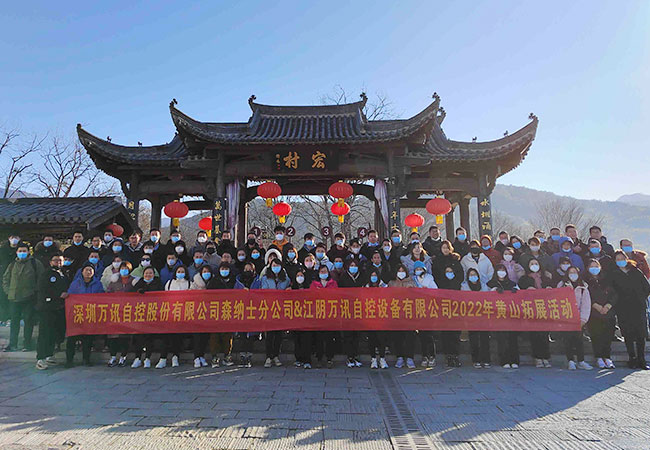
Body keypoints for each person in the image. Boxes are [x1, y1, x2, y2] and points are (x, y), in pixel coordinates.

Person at [610, 250, 650, 369]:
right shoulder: (614, 274)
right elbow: (613, 292)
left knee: (641, 334)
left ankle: (642, 360)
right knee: (628, 334)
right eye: (618, 259)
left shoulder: (635, 271)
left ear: (626, 258)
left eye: (622, 258)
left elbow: (646, 287)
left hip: (638, 307)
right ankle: (632, 358)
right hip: (623, 308)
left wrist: (641, 298)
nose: (620, 261)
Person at [2, 243, 44, 352]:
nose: (22, 253)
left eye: (24, 251)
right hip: (14, 298)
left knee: (28, 321)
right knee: (14, 322)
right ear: (16, 252)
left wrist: (35, 292)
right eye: (20, 251)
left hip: (29, 298)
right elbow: (5, 279)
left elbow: (41, 279)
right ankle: (13, 344)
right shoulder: (12, 264)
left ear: (28, 252)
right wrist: (8, 291)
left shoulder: (35, 263)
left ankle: (27, 344)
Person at [65, 262, 104, 367]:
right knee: (72, 338)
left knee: (88, 338)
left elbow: (101, 298)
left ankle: (86, 359)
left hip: (90, 314)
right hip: (77, 314)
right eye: (86, 270)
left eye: (90, 270)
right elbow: (70, 296)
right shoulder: (75, 284)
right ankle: (69, 360)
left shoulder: (98, 284)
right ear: (82, 272)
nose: (88, 272)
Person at [35, 253, 69, 370]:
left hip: (59, 308)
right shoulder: (46, 274)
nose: (58, 263)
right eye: (55, 260)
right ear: (50, 262)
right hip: (47, 308)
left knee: (54, 333)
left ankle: (49, 355)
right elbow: (43, 289)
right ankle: (40, 358)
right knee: (45, 333)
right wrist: (58, 295)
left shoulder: (64, 274)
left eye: (60, 260)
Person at [517, 259, 553, 368]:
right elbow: (520, 292)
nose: (534, 265)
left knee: (545, 334)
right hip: (531, 309)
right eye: (531, 264)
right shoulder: (524, 279)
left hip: (544, 308)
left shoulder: (546, 278)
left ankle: (545, 357)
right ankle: (537, 357)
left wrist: (549, 289)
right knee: (535, 334)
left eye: (536, 263)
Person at [557, 266, 593, 370]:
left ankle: (581, 361)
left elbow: (586, 304)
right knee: (567, 340)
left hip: (578, 318)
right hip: (566, 318)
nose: (573, 274)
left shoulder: (583, 287)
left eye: (575, 272)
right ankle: (570, 361)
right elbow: (557, 301)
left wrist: (583, 319)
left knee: (579, 341)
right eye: (571, 272)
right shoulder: (561, 285)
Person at [584, 259, 617, 369]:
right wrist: (595, 305)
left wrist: (608, 305)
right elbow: (586, 295)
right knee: (596, 335)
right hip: (594, 312)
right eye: (592, 266)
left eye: (596, 266)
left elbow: (614, 294)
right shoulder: (585, 281)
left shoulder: (606, 279)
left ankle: (607, 357)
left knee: (608, 335)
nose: (594, 268)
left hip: (608, 311)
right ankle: (598, 357)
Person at [157, 264, 190, 369]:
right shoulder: (169, 283)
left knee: (177, 336)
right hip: (170, 313)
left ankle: (175, 356)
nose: (180, 273)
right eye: (178, 271)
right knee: (166, 335)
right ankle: (163, 358)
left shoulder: (189, 283)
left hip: (183, 314)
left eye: (182, 271)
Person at [130, 267, 162, 369]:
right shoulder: (139, 283)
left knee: (149, 337)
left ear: (154, 274)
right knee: (138, 337)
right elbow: (131, 295)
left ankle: (147, 358)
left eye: (150, 273)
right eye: (146, 273)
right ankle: (138, 358)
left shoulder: (158, 284)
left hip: (153, 314)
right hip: (140, 314)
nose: (148, 275)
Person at [488, 265, 520, 369]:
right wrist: (494, 291)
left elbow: (520, 296)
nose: (501, 272)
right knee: (502, 338)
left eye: (503, 270)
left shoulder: (512, 284)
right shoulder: (491, 283)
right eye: (499, 270)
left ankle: (514, 360)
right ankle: (504, 360)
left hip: (511, 315)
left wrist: (515, 292)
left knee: (512, 338)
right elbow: (486, 297)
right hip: (499, 315)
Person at [260, 259, 290, 368]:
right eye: (273, 265)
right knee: (269, 335)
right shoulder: (265, 278)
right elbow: (264, 291)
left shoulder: (286, 279)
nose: (275, 267)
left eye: (277, 265)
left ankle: (276, 356)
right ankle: (269, 357)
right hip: (269, 308)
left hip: (281, 309)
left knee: (278, 335)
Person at [206, 262, 237, 368]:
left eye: (226, 269)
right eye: (222, 269)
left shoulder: (233, 281)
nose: (224, 271)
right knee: (214, 335)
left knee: (227, 335)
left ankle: (227, 355)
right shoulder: (214, 281)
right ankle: (214, 357)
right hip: (215, 311)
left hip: (229, 311)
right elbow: (207, 295)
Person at [105, 261, 134, 367]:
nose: (124, 270)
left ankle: (123, 356)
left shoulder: (133, 281)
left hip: (128, 312)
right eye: (122, 268)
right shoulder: (114, 280)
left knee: (125, 336)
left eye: (126, 268)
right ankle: (113, 356)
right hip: (115, 311)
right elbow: (108, 293)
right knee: (113, 335)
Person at [388, 264, 417, 368]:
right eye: (399, 271)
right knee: (398, 336)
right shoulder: (391, 283)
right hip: (396, 313)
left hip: (409, 313)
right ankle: (399, 357)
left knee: (410, 336)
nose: (401, 273)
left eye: (403, 271)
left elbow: (417, 296)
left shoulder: (411, 282)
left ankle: (410, 357)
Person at [461, 268, 491, 368]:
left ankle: (486, 360)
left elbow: (488, 297)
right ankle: (476, 360)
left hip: (483, 315)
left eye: (474, 274)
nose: (473, 276)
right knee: (473, 339)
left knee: (484, 339)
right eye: (471, 275)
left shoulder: (484, 285)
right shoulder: (464, 286)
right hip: (471, 316)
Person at [338, 259, 364, 368]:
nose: (353, 267)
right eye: (351, 265)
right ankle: (349, 357)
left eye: (355, 265)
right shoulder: (344, 277)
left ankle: (356, 356)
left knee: (356, 335)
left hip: (358, 308)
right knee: (348, 335)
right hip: (347, 308)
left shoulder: (361, 276)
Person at [234, 262, 262, 368]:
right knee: (242, 334)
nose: (247, 271)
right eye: (246, 269)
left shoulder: (258, 281)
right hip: (241, 309)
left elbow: (261, 294)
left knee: (251, 335)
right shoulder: (239, 281)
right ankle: (242, 356)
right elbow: (233, 294)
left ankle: (249, 356)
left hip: (253, 310)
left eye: (249, 269)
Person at [310, 265, 338, 368]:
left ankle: (330, 358)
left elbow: (337, 295)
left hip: (330, 313)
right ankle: (319, 358)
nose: (323, 273)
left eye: (325, 271)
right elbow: (311, 296)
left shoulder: (333, 283)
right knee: (319, 339)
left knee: (330, 338)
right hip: (318, 314)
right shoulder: (314, 284)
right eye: (321, 271)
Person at [412, 261, 438, 368]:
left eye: (420, 269)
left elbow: (436, 291)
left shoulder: (429, 279)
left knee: (429, 335)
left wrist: (427, 291)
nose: (419, 271)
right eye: (417, 269)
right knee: (422, 335)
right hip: (418, 309)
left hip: (428, 309)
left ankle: (432, 356)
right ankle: (424, 356)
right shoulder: (413, 279)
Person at [437, 264, 463, 367]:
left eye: (451, 271)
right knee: (446, 336)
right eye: (447, 271)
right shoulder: (441, 283)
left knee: (455, 336)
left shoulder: (458, 284)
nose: (449, 273)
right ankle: (448, 356)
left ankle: (455, 356)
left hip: (456, 313)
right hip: (445, 313)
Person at [365, 269, 389, 369]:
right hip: (370, 316)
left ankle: (382, 359)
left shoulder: (384, 286)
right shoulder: (366, 287)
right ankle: (373, 359)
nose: (373, 277)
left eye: (375, 275)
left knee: (381, 338)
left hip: (381, 316)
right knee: (372, 338)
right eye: (372, 275)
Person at [190, 265, 212, 368]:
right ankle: (196, 357)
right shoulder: (195, 283)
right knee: (197, 336)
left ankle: (202, 356)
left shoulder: (213, 282)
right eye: (204, 271)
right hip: (197, 312)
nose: (206, 273)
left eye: (208, 271)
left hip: (209, 312)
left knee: (205, 336)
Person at [291, 268, 313, 369]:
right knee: (297, 339)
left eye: (301, 276)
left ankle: (307, 360)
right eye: (298, 276)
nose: (300, 278)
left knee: (306, 339)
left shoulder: (309, 287)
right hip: (296, 317)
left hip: (307, 317)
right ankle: (298, 359)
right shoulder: (292, 288)